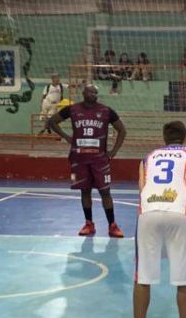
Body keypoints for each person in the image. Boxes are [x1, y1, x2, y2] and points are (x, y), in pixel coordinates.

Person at [121, 120, 186, 318]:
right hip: (180, 210)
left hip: (149, 211)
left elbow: (142, 189)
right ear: (185, 137)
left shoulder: (147, 157)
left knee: (143, 276)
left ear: (163, 138)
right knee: (184, 277)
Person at [47, 84, 128, 237]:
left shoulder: (106, 111)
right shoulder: (72, 109)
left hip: (100, 161)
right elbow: (52, 122)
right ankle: (89, 223)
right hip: (79, 159)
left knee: (105, 192)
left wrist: (113, 152)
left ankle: (112, 225)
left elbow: (122, 130)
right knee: (85, 191)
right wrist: (67, 137)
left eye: (96, 92)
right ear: (83, 93)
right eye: (91, 91)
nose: (94, 94)